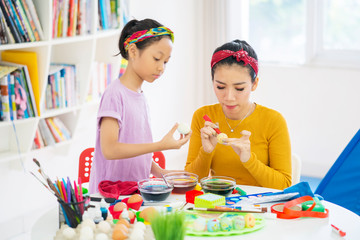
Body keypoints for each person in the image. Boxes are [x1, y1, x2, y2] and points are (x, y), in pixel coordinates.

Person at [89, 19, 191, 193]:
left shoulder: (140, 96)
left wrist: (159, 172)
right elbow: (110, 149)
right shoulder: (115, 94)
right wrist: (159, 145)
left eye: (165, 62)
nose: (161, 68)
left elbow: (133, 146)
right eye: (157, 58)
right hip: (111, 194)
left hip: (133, 191)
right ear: (133, 51)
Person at [185, 40, 291, 190]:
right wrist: (206, 152)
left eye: (239, 88)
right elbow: (190, 182)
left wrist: (249, 160)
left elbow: (284, 185)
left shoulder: (273, 121)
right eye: (220, 87)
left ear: (254, 84)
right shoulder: (203, 116)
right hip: (218, 205)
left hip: (259, 207)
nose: (228, 97)